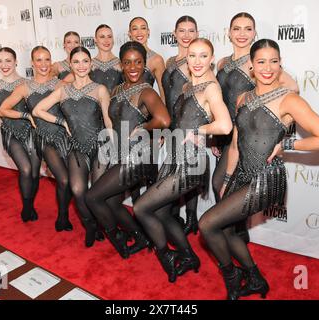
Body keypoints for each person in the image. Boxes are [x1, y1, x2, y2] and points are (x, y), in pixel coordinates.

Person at [198, 39, 319, 300]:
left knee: (206, 224)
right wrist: (228, 179)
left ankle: (232, 277)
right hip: (240, 174)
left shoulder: (289, 99)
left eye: (274, 61)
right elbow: (237, 147)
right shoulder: (243, 98)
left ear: (281, 63)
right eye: (261, 61)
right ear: (251, 65)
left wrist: (288, 143)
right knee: (228, 229)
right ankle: (255, 278)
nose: (268, 67)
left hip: (266, 179)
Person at [133, 38, 232, 283]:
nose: (197, 61)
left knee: (141, 208)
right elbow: (181, 122)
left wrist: (199, 131)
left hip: (191, 164)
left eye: (203, 56)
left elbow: (225, 125)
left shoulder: (211, 87)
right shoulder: (188, 86)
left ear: (211, 58)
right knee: (164, 213)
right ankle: (189, 256)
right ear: (185, 58)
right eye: (192, 56)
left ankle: (165, 255)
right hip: (174, 158)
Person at [212, 12, 299, 243]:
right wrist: (216, 135)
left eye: (248, 29)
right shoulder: (222, 63)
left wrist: (280, 125)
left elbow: (292, 88)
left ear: (255, 33)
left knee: (220, 184)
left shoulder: (260, 62)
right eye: (237, 28)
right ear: (228, 33)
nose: (242, 33)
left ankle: (234, 234)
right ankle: (233, 233)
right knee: (218, 185)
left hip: (249, 138)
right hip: (228, 135)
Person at [85, 41, 170, 259]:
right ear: (121, 65)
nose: (133, 67)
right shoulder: (117, 89)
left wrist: (143, 127)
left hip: (138, 158)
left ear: (145, 64)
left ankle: (118, 240)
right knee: (112, 202)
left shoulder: (146, 92)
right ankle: (140, 237)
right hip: (122, 155)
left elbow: (163, 119)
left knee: (93, 197)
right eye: (127, 62)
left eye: (138, 62)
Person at [33, 46, 110, 247]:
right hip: (76, 148)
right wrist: (62, 122)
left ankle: (103, 225)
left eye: (85, 61)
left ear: (91, 64)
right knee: (77, 190)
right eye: (76, 62)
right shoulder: (63, 90)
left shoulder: (100, 89)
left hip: (100, 146)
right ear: (71, 65)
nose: (81, 65)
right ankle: (90, 225)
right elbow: (37, 109)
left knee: (97, 193)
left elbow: (109, 121)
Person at [0, 46, 70, 227]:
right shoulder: (25, 87)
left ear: (51, 61)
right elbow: (2, 109)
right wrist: (26, 116)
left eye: (47, 59)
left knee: (47, 177)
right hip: (40, 137)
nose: (43, 64)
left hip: (63, 138)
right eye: (39, 60)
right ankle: (29, 207)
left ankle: (61, 215)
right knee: (45, 175)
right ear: (32, 63)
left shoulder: (61, 84)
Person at [0, 47, 36, 221]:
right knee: (25, 169)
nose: (4, 65)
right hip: (10, 133)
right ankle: (26, 208)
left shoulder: (27, 83)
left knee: (33, 173)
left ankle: (30, 205)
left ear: (16, 62)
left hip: (31, 132)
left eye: (8, 60)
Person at [161, 15, 200, 235]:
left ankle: (192, 218)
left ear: (197, 34)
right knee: (176, 172)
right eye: (182, 31)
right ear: (174, 34)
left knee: (189, 173)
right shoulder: (169, 62)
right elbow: (168, 97)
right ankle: (176, 216)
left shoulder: (199, 62)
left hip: (190, 127)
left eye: (191, 31)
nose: (186, 35)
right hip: (172, 127)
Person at [128, 17, 166, 100]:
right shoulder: (124, 58)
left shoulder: (157, 60)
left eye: (143, 28)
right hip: (123, 110)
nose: (139, 32)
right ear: (129, 33)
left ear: (148, 32)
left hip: (146, 110)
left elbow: (163, 93)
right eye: (135, 29)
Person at [89, 24, 123, 93]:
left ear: (113, 39)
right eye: (102, 37)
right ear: (95, 40)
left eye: (109, 37)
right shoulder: (88, 64)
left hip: (117, 103)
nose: (106, 40)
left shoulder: (121, 63)